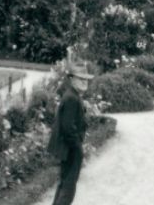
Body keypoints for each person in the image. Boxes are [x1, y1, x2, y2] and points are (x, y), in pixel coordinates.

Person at [49, 61, 92, 205]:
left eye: (85, 79)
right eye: (81, 78)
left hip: (67, 148)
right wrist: (78, 147)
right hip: (71, 149)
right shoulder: (72, 98)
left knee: (64, 183)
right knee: (68, 187)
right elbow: (68, 128)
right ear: (71, 79)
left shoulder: (72, 95)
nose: (84, 82)